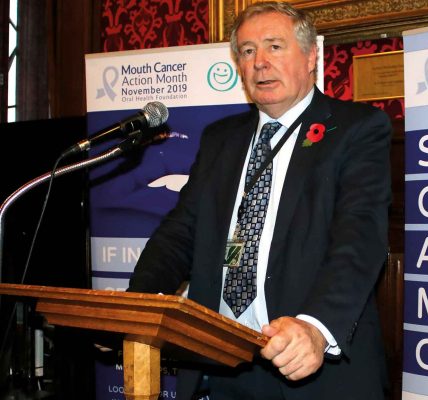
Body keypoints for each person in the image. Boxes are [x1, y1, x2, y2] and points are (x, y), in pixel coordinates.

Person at [127, 1, 392, 399]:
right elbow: (181, 233)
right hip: (222, 361)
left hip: (308, 362)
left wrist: (315, 328)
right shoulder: (221, 138)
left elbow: (359, 238)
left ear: (311, 56)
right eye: (248, 51)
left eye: (275, 47)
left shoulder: (356, 129)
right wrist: (138, 306)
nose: (260, 63)